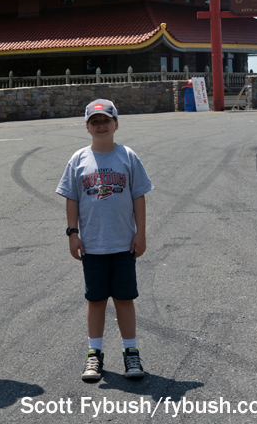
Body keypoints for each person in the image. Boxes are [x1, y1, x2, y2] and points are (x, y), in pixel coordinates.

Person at [56, 99, 153, 383]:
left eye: (106, 121)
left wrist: (141, 232)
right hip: (93, 245)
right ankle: (94, 354)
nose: (101, 126)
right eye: (95, 122)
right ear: (87, 127)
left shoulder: (128, 156)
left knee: (124, 299)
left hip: (124, 244)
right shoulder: (78, 160)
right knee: (96, 300)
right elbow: (71, 199)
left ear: (116, 124)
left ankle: (130, 352)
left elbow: (139, 197)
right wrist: (72, 233)